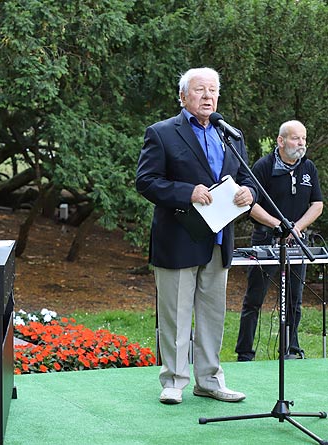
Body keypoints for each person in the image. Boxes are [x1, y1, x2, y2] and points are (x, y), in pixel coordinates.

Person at [136, 67, 257, 405]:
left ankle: (209, 380)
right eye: (200, 90)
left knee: (213, 315)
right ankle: (173, 380)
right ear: (183, 96)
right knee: (175, 314)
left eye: (213, 90)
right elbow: (146, 181)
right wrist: (186, 191)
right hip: (178, 238)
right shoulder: (161, 133)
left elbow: (247, 179)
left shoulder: (230, 134)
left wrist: (250, 194)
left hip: (219, 241)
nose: (208, 96)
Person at [236, 120, 323, 362]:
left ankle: (291, 349)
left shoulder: (308, 168)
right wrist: (277, 225)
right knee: (254, 299)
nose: (301, 143)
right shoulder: (263, 166)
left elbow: (317, 204)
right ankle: (245, 353)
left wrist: (296, 228)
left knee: (294, 300)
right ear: (281, 141)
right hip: (266, 239)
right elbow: (249, 205)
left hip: (297, 240)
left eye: (304, 138)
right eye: (296, 138)